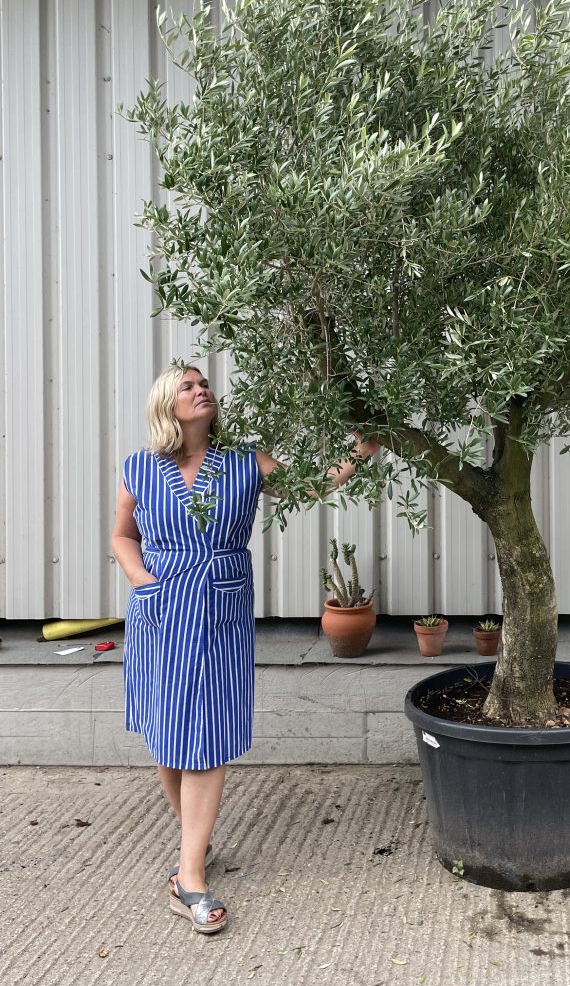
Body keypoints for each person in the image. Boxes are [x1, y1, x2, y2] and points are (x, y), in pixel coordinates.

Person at [110, 363, 376, 934]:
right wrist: (141, 581)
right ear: (166, 404)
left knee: (206, 734)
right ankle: (194, 850)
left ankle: (189, 877)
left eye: (205, 383)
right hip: (160, 608)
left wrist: (364, 448)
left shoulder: (245, 461)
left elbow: (312, 483)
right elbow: (122, 535)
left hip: (220, 610)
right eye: (187, 385)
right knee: (166, 726)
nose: (201, 389)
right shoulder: (139, 468)